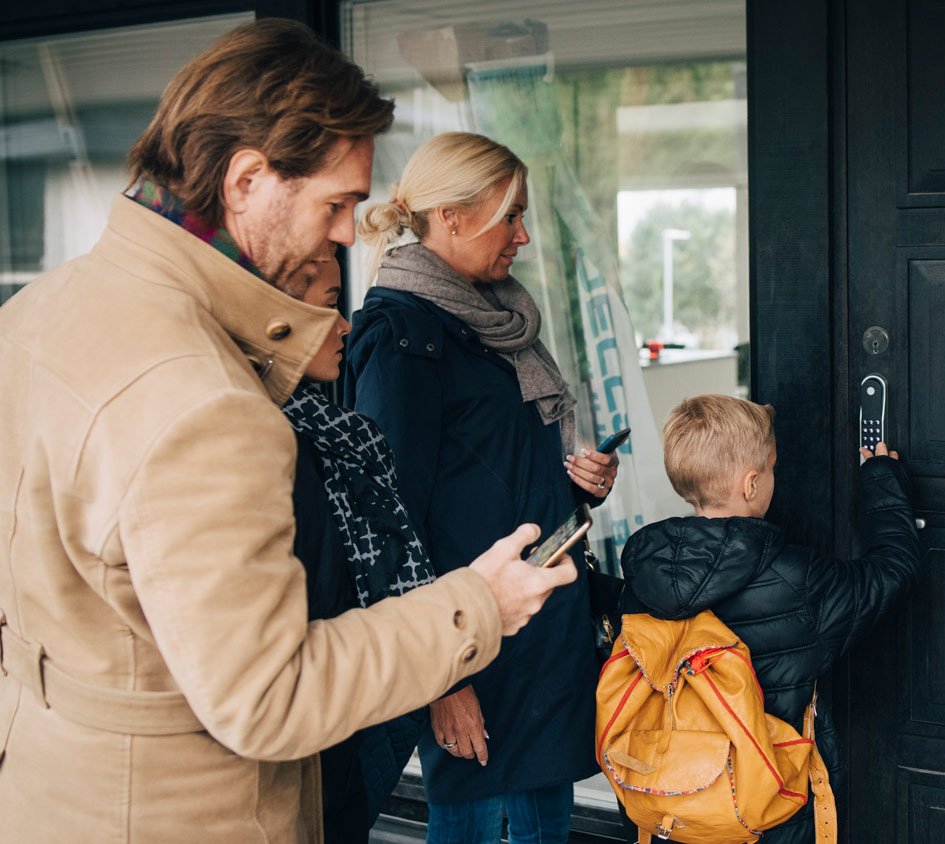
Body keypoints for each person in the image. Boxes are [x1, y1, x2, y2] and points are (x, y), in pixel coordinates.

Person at [0, 21, 574, 842]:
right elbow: (270, 697)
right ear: (246, 181)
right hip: (183, 813)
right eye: (336, 203)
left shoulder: (33, 316)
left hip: (53, 792)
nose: (349, 234)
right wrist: (476, 606)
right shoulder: (204, 400)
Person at [347, 131, 616, 844]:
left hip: (537, 638)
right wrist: (442, 678)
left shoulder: (492, 321)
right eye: (511, 215)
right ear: (454, 216)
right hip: (474, 649)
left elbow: (492, 475)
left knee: (543, 831)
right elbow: (386, 518)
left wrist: (580, 488)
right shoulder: (402, 337)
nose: (524, 236)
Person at [617, 394, 922, 843]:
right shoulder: (797, 578)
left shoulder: (647, 573)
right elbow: (891, 572)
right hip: (766, 808)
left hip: (674, 798)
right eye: (773, 468)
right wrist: (882, 480)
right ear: (751, 484)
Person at [282, 256, 438, 840]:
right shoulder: (287, 451)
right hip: (317, 730)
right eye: (327, 307)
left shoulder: (335, 434)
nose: (345, 325)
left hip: (348, 718)